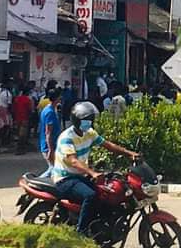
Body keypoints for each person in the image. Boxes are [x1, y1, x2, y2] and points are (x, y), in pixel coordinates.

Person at [50, 101, 138, 237]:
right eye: (87, 120)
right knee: (90, 195)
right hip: (65, 179)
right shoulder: (67, 138)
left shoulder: (89, 133)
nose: (90, 122)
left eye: (91, 119)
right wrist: (92, 173)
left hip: (79, 176)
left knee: (105, 194)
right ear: (77, 121)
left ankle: (99, 228)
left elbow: (107, 145)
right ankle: (81, 233)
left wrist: (129, 153)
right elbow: (73, 161)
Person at [37, 89, 62, 173]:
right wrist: (50, 150)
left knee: (53, 169)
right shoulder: (50, 112)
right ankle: (34, 182)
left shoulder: (50, 110)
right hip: (49, 146)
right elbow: (48, 133)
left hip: (52, 144)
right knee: (54, 169)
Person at [12, 86, 34, 155]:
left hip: (17, 118)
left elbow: (14, 108)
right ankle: (20, 149)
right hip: (24, 119)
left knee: (18, 134)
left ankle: (19, 148)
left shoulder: (17, 99)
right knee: (23, 135)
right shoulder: (28, 100)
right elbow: (30, 110)